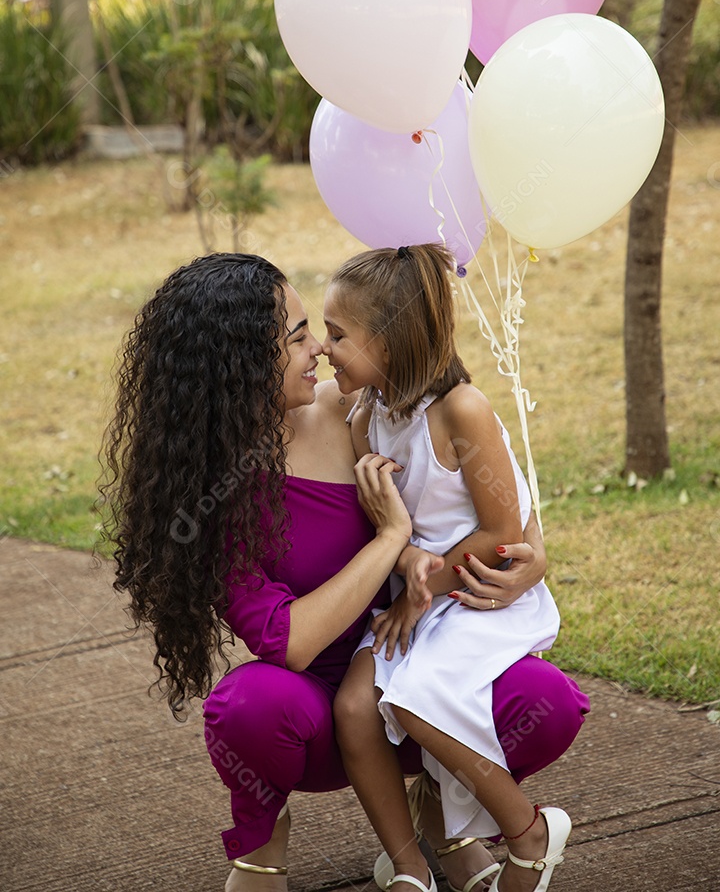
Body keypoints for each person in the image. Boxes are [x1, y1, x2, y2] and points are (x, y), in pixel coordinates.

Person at [99, 252, 589, 892]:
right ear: (240, 362)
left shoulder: (357, 409)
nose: (319, 351)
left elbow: (481, 488)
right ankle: (262, 850)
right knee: (245, 706)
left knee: (544, 702)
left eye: (319, 331)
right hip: (321, 711)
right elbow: (290, 642)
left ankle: (445, 817)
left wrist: (531, 552)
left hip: (417, 658)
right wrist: (390, 540)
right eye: (297, 337)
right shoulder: (206, 492)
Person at [326, 244, 580, 892]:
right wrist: (408, 561)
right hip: (419, 595)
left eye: (336, 335)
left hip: (476, 596)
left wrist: (424, 589)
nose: (326, 349)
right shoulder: (366, 416)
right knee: (355, 706)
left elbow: (501, 532)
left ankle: (525, 830)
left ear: (388, 340)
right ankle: (411, 869)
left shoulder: (460, 410)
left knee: (413, 701)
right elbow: (392, 530)